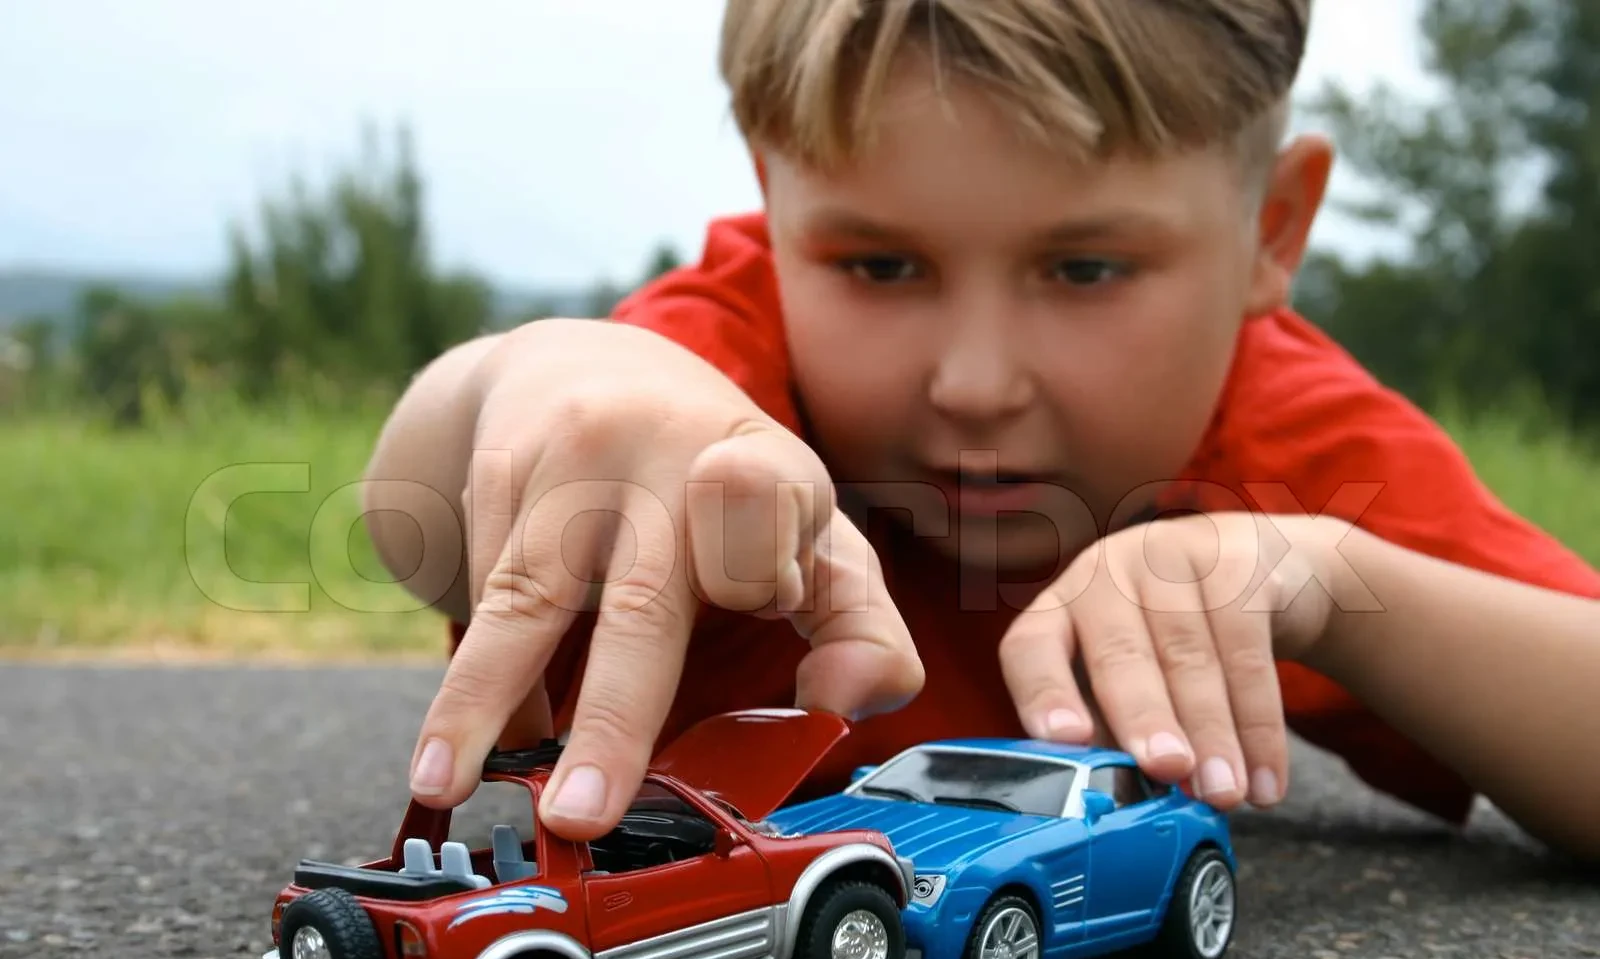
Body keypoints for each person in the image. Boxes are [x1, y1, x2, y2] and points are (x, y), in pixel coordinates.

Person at [362, 0, 1600, 862]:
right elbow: (428, 522)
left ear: (1271, 230)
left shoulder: (1281, 438)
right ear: (773, 194)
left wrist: (1335, 589)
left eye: (1085, 268)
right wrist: (520, 381)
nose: (974, 381)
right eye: (880, 264)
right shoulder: (704, 389)